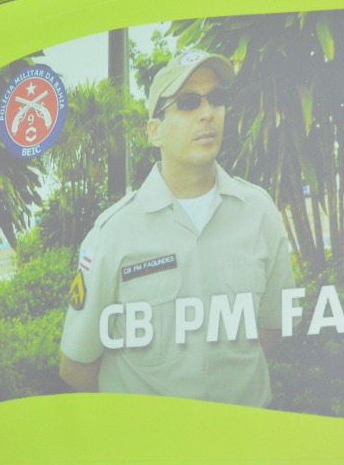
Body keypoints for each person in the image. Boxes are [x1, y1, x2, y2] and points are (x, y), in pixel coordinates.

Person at [58, 49, 295, 407]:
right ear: (155, 132)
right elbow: (76, 365)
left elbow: (270, 331)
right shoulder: (114, 233)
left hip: (244, 437)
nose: (207, 113)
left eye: (216, 99)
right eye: (187, 102)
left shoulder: (259, 213)